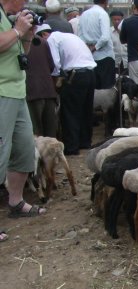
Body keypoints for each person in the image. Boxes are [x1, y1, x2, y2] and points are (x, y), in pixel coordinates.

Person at [0, 1, 47, 230]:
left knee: (23, 150)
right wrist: (17, 30)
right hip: (1, 92)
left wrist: (27, 35)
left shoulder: (10, 17)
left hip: (17, 91)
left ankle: (16, 201)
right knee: (0, 152)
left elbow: (23, 53)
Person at [39, 25, 96, 156]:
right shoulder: (69, 36)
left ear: (44, 35)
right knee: (86, 110)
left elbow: (56, 65)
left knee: (70, 112)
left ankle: (72, 147)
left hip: (76, 75)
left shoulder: (52, 39)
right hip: (90, 73)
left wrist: (53, 82)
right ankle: (85, 142)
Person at [26, 24, 58, 138]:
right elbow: (52, 66)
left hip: (30, 92)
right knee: (50, 131)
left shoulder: (16, 42)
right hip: (48, 90)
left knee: (36, 133)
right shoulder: (42, 42)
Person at [78, 0, 116, 89]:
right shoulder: (102, 14)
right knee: (106, 90)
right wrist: (95, 47)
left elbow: (80, 36)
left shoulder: (84, 14)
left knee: (92, 89)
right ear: (105, 2)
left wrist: (88, 48)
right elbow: (105, 37)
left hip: (89, 57)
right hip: (105, 56)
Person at [120, 0, 138, 87]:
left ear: (134, 7)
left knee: (137, 89)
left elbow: (122, 40)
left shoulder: (127, 22)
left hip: (134, 60)